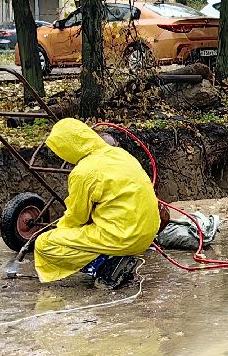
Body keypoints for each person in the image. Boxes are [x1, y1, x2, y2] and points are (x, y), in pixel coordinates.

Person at [31, 118, 161, 289]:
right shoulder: (120, 154)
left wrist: (61, 230)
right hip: (147, 234)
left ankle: (107, 266)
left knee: (45, 244)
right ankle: (114, 257)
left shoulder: (84, 172)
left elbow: (77, 217)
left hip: (123, 237)